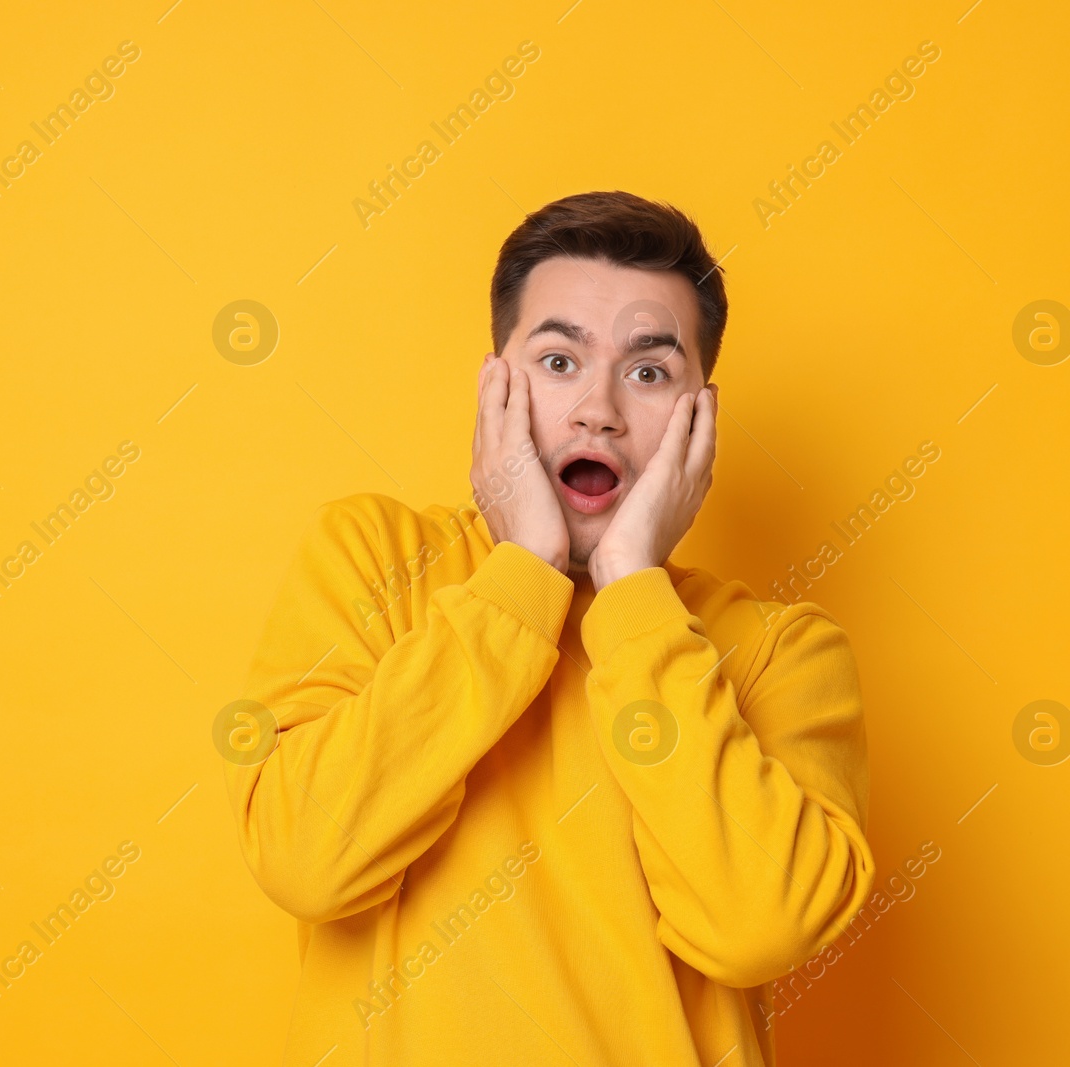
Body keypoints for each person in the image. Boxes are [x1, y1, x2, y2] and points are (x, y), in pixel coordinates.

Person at [223, 190, 874, 1066]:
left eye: (648, 372)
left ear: (699, 418)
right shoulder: (375, 559)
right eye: (560, 360)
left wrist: (634, 593)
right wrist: (523, 572)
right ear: (497, 381)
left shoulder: (781, 651)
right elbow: (305, 859)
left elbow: (759, 928)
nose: (598, 409)